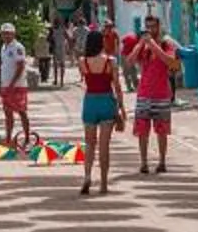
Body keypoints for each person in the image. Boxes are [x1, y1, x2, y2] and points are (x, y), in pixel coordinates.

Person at [127, 15, 179, 175]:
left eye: (153, 26)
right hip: (144, 93)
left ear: (159, 27)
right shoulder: (142, 46)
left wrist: (154, 45)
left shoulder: (166, 43)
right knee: (142, 130)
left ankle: (162, 161)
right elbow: (130, 61)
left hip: (162, 93)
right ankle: (143, 162)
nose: (150, 30)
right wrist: (141, 44)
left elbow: (172, 63)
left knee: (162, 130)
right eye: (147, 26)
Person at [74, 28, 120, 195]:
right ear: (101, 43)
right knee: (104, 146)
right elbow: (117, 86)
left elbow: (85, 79)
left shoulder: (82, 61)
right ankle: (104, 183)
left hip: (90, 102)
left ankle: (87, 175)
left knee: (90, 144)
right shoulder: (111, 61)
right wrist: (121, 107)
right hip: (106, 101)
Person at [0, 21, 33, 151]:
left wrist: (12, 83)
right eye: (3, 34)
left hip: (18, 85)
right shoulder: (3, 47)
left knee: (22, 111)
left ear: (13, 34)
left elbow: (20, 66)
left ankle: (28, 138)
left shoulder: (18, 47)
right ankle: (8, 138)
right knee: (7, 112)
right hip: (5, 84)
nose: (5, 36)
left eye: (8, 33)